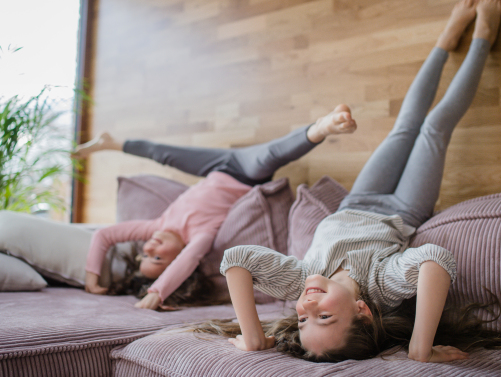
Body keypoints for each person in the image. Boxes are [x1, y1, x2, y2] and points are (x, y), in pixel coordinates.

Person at [197, 0, 501, 362]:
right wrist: (419, 348)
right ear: (362, 310)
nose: (306, 307)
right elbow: (435, 260)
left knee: (404, 127)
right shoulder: (383, 285)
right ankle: (481, 40)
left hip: (357, 201)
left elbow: (236, 258)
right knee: (434, 128)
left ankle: (444, 42)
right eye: (324, 316)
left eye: (301, 321)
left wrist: (253, 337)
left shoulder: (301, 279)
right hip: (403, 208)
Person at [74, 104, 357, 310]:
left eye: (143, 255)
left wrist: (92, 278)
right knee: (268, 156)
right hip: (245, 173)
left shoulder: (157, 226)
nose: (148, 249)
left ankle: (111, 143)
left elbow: (104, 235)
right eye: (157, 258)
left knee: (165, 155)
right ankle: (321, 127)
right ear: (177, 258)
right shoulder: (201, 236)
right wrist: (158, 292)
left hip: (214, 166)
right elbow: (188, 261)